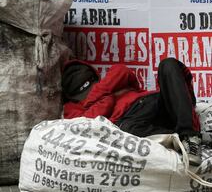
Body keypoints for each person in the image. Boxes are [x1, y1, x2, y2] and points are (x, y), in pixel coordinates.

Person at [61, 58, 203, 165]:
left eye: (92, 87)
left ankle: (190, 136)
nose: (90, 93)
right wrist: (106, 98)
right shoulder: (70, 108)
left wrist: (95, 95)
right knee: (124, 130)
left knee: (168, 64)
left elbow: (121, 70)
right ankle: (195, 138)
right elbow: (87, 122)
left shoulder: (106, 82)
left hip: (154, 103)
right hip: (131, 121)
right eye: (85, 94)